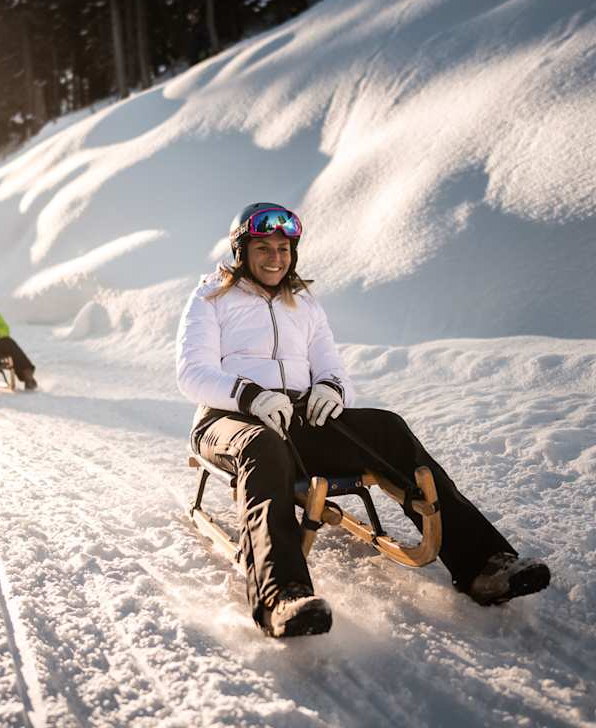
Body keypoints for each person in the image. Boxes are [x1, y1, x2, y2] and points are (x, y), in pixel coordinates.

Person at [175, 202, 550, 638]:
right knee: (262, 447)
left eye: (284, 247)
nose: (276, 257)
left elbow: (333, 368)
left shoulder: (305, 304)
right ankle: (282, 596)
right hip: (228, 419)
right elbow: (192, 373)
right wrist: (249, 396)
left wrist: (330, 390)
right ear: (242, 250)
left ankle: (483, 565)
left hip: (295, 419)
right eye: (264, 247)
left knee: (387, 428)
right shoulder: (211, 297)